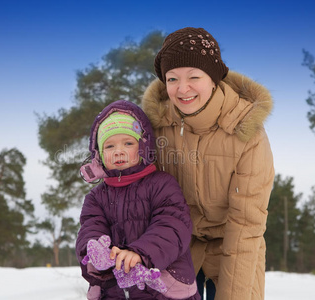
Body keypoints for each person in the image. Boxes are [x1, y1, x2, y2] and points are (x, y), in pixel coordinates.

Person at [142, 27, 274, 300]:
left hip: (234, 245)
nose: (182, 88)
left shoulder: (246, 132)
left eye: (194, 77)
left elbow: (246, 224)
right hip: (176, 244)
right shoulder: (156, 126)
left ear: (213, 79)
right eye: (173, 78)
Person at [76, 100, 200, 300]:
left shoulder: (162, 184)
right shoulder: (96, 197)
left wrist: (140, 253)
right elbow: (91, 227)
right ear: (99, 154)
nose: (118, 151)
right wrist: (94, 250)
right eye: (109, 145)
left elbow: (172, 226)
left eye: (128, 143)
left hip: (163, 288)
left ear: (143, 146)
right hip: (114, 291)